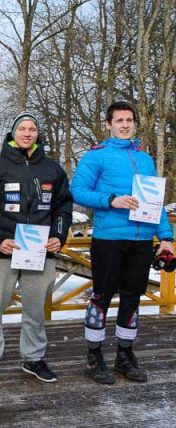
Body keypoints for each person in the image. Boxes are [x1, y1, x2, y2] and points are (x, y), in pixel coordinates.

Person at [71, 100, 174, 384]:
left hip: (140, 240)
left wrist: (166, 238)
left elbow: (156, 202)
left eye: (129, 120)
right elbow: (76, 191)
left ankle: (125, 356)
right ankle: (94, 357)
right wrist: (110, 200)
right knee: (102, 296)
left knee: (132, 298)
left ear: (134, 124)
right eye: (119, 121)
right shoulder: (96, 156)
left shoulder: (144, 158)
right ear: (108, 124)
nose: (125, 125)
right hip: (109, 239)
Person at [0, 112, 73, 383]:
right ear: (13, 133)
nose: (27, 133)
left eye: (32, 129)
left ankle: (34, 358)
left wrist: (59, 236)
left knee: (35, 309)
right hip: (4, 250)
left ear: (37, 134)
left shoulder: (52, 169)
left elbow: (64, 206)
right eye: (22, 129)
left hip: (40, 251)